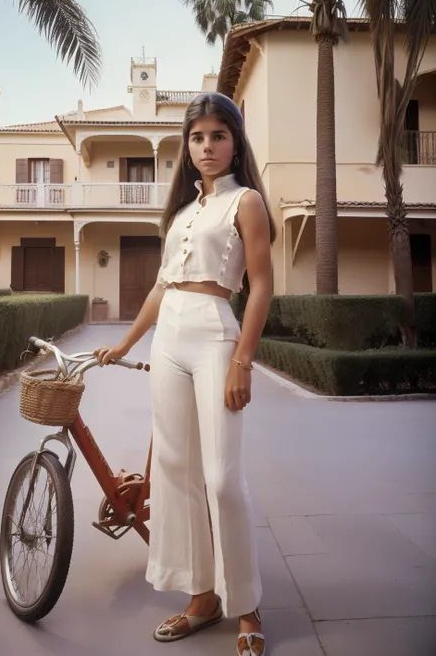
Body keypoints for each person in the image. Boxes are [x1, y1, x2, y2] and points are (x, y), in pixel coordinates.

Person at [95, 91, 276, 656]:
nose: (207, 146)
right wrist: (125, 341)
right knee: (174, 469)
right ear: (187, 145)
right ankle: (202, 598)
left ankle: (246, 605)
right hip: (170, 335)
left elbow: (263, 284)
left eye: (218, 135)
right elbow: (160, 286)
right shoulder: (179, 214)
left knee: (221, 479)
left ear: (234, 141)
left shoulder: (245, 202)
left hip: (216, 334)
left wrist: (242, 359)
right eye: (197, 137)